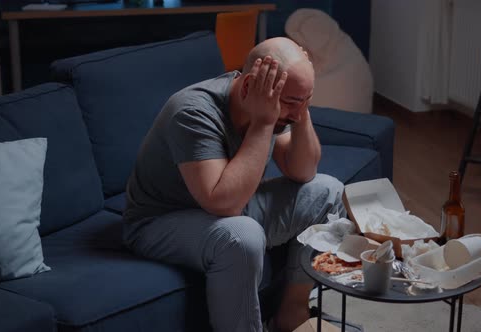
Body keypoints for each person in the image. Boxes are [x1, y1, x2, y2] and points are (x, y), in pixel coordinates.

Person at [122, 37, 346, 332]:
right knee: (243, 236)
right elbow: (222, 202)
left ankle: (292, 313)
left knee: (328, 192)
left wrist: (299, 106)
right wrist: (264, 123)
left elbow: (303, 171)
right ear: (250, 86)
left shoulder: (269, 103)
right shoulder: (192, 111)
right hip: (160, 222)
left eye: (305, 100)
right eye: (290, 102)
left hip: (223, 211)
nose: (295, 113)